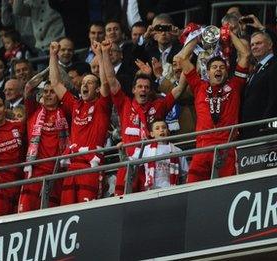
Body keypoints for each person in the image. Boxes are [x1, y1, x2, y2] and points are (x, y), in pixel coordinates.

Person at [102, 36, 186, 194]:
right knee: (122, 201)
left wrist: (185, 59)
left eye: (147, 87)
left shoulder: (158, 106)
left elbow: (179, 89)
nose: (143, 90)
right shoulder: (124, 104)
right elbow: (111, 79)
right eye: (139, 87)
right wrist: (105, 53)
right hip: (129, 165)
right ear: (133, 90)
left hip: (150, 167)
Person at [176, 28, 250, 183]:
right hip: (203, 148)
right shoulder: (199, 86)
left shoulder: (235, 86)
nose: (218, 69)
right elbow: (182, 58)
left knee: (229, 188)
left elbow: (245, 54)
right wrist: (196, 37)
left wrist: (228, 33)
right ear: (207, 72)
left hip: (227, 147)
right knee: (193, 189)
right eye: (214, 67)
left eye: (222, 67)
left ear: (227, 71)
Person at [49, 41, 111, 205]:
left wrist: (100, 55)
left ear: (97, 89)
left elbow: (106, 83)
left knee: (87, 213)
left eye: (90, 83)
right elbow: (55, 83)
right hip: (71, 168)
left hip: (91, 167)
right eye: (83, 83)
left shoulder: (101, 106)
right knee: (67, 212)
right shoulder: (75, 104)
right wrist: (53, 55)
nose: (84, 85)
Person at [19, 77, 69, 212]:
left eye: (52, 91)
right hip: (35, 170)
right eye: (45, 91)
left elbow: (68, 84)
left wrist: (56, 71)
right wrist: (48, 69)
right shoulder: (34, 110)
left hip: (58, 170)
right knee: (26, 212)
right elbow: (28, 86)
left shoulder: (65, 111)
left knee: (53, 212)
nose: (47, 94)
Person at [130, 120, 188, 191]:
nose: (161, 130)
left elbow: (184, 175)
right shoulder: (146, 149)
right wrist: (122, 151)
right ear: (152, 134)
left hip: (173, 190)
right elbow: (129, 162)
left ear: (168, 131)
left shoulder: (177, 150)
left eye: (164, 128)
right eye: (157, 128)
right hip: (152, 191)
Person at [240, 30, 277, 139]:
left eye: (258, 43)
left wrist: (265, 126)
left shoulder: (274, 66)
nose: (254, 47)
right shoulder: (256, 68)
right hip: (249, 129)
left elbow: (274, 98)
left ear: (270, 45)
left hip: (263, 130)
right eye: (252, 44)